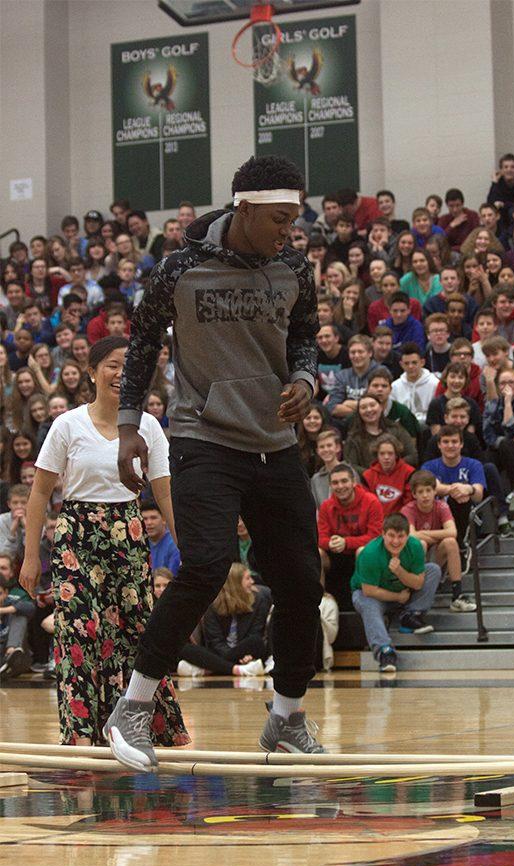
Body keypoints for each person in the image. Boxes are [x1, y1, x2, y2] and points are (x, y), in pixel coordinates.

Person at [96, 156, 326, 768]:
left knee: (304, 579)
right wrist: (128, 428)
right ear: (244, 209)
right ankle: (135, 706)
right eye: (280, 219)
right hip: (203, 436)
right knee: (204, 563)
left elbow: (305, 334)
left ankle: (286, 715)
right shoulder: (180, 267)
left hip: (274, 443)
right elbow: (143, 344)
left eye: (294, 219)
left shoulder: (294, 265)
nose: (289, 230)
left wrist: (306, 379)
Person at [19, 336, 189, 748]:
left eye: (128, 366)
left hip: (128, 536)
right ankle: (79, 736)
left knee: (137, 633)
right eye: (112, 365)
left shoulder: (148, 426)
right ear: (92, 372)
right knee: (78, 634)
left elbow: (164, 492)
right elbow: (40, 493)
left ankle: (155, 730)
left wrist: (188, 546)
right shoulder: (67, 424)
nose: (120, 373)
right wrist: (29, 558)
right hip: (76, 536)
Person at [351, 513, 442, 671]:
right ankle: (385, 651)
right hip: (373, 595)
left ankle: (410, 615)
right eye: (391, 536)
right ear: (383, 534)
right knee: (367, 603)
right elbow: (369, 590)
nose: (395, 541)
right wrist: (398, 597)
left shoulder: (415, 546)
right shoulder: (370, 553)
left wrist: (399, 571)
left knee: (433, 570)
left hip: (403, 592)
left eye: (401, 536)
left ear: (407, 536)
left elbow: (419, 583)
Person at [177, 563, 272, 679]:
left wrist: (246, 655)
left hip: (243, 650)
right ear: (235, 584)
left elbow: (254, 634)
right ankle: (237, 669)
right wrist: (237, 658)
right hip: (219, 652)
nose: (252, 582)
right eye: (247, 578)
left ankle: (209, 668)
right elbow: (215, 642)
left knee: (257, 642)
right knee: (184, 648)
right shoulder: (212, 606)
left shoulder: (258, 600)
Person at [402, 470, 475, 612]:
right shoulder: (408, 509)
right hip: (414, 560)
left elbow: (452, 532)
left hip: (435, 556)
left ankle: (457, 596)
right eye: (420, 491)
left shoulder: (441, 506)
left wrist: (422, 533)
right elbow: (411, 537)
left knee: (450, 542)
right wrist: (434, 535)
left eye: (428, 490)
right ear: (414, 494)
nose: (425, 495)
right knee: (420, 544)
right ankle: (417, 591)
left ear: (435, 491)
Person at [318, 463, 383, 608]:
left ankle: (366, 599)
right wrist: (330, 543)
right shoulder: (326, 506)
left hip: (363, 556)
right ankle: (320, 601)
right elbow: (320, 538)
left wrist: (346, 542)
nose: (340, 486)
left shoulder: (372, 502)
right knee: (317, 553)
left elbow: (376, 537)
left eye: (344, 481)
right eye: (335, 483)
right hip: (336, 556)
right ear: (330, 486)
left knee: (363, 551)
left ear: (354, 482)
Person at [422, 425, 486, 549]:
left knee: (462, 499)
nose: (450, 445)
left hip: (469, 515)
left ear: (461, 444)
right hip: (436, 517)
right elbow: (433, 487)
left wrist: (469, 489)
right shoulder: (428, 467)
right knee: (455, 498)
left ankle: (461, 548)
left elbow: (478, 495)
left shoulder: (474, 465)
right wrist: (459, 489)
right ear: (439, 445)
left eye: (454, 441)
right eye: (445, 442)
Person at [328, 334, 378, 423]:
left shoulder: (380, 373)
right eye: (353, 352)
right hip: (347, 425)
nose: (356, 356)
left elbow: (380, 406)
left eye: (360, 352)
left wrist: (349, 404)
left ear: (370, 353)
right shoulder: (341, 376)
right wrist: (365, 410)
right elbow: (333, 408)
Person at [362, 433, 415, 515]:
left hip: (401, 520)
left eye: (390, 453)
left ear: (396, 455)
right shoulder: (367, 476)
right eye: (382, 453)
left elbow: (409, 504)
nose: (386, 457)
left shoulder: (408, 472)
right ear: (377, 455)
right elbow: (367, 505)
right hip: (377, 520)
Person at [391, 343, 439, 426]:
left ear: (422, 362)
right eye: (406, 363)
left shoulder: (434, 384)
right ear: (401, 365)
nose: (410, 366)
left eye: (414, 363)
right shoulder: (395, 386)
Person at [0, 570, 35, 678]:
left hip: (19, 659)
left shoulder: (12, 602)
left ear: (6, 593)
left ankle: (11, 652)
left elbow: (30, 607)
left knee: (19, 616)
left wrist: (3, 610)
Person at [487, 153, 514, 229]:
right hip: (502, 213)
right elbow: (490, 202)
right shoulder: (498, 181)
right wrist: (494, 183)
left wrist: (504, 205)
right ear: (501, 170)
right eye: (506, 167)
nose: (509, 170)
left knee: (512, 211)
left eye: (512, 167)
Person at [140, 499, 181, 576]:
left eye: (153, 518)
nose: (149, 523)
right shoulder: (140, 544)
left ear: (164, 519)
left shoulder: (174, 546)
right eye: (145, 519)